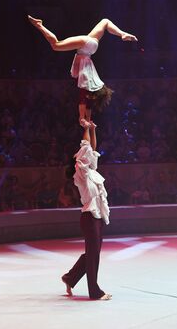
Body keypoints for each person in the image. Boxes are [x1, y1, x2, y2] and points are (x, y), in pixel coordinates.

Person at [28, 16, 138, 127]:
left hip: (92, 47)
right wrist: (82, 119)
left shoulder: (92, 86)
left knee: (105, 21)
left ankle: (122, 34)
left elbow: (88, 105)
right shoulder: (87, 85)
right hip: (86, 47)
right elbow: (83, 101)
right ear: (95, 96)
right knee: (56, 45)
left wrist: (88, 120)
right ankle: (39, 25)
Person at [62, 121, 112, 300]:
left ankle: (69, 277)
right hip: (89, 217)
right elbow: (86, 147)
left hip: (97, 217)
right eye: (86, 156)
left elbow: (92, 149)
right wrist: (85, 130)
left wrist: (92, 129)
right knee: (93, 256)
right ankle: (94, 291)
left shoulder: (92, 172)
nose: (90, 157)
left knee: (93, 253)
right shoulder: (80, 174)